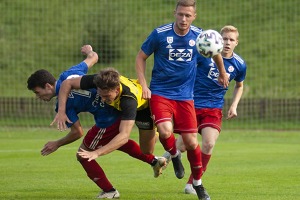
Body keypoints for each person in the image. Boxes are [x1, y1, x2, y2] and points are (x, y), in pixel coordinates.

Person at [27, 45, 166, 199]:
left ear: (48, 86)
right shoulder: (69, 73)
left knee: (83, 155)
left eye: (37, 92)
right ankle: (154, 161)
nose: (38, 96)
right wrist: (88, 51)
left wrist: (57, 143)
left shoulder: (62, 104)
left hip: (107, 120)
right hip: (119, 105)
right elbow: (93, 58)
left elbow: (77, 132)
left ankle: (109, 191)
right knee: (118, 142)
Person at [135, 1, 229, 199]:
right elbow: (140, 57)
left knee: (192, 143)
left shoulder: (200, 36)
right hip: (161, 92)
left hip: (186, 96)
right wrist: (144, 85)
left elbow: (215, 52)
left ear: (194, 16)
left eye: (187, 15)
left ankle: (198, 184)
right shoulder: (160, 34)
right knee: (164, 130)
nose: (183, 19)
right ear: (174, 13)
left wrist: (222, 73)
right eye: (180, 15)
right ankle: (175, 156)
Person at [172, 25, 247, 195]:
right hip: (191, 104)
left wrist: (234, 106)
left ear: (237, 43)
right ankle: (171, 154)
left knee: (209, 143)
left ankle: (192, 183)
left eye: (231, 40)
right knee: (182, 146)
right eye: (225, 39)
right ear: (218, 40)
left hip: (213, 108)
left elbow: (239, 86)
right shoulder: (204, 55)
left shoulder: (239, 64)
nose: (227, 42)